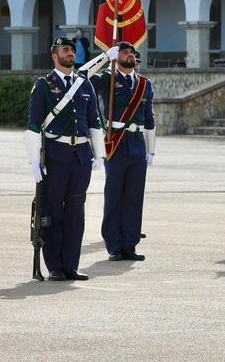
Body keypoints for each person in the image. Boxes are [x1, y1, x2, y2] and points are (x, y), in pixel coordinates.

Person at [24, 37, 114, 281]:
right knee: (53, 211)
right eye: (65, 50)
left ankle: (71, 265)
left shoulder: (84, 85)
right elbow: (33, 126)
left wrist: (99, 154)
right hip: (55, 157)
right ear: (54, 56)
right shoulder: (44, 85)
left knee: (76, 214)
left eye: (73, 50)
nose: (70, 53)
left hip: (81, 157)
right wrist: (34, 161)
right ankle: (55, 266)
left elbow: (95, 122)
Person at [93, 41, 156, 261]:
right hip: (116, 144)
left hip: (137, 145)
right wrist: (104, 59)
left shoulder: (144, 84)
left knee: (134, 198)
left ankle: (130, 244)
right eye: (125, 52)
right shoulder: (107, 79)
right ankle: (113, 246)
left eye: (132, 53)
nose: (130, 55)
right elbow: (82, 77)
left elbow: (149, 119)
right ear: (116, 56)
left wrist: (151, 149)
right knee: (114, 197)